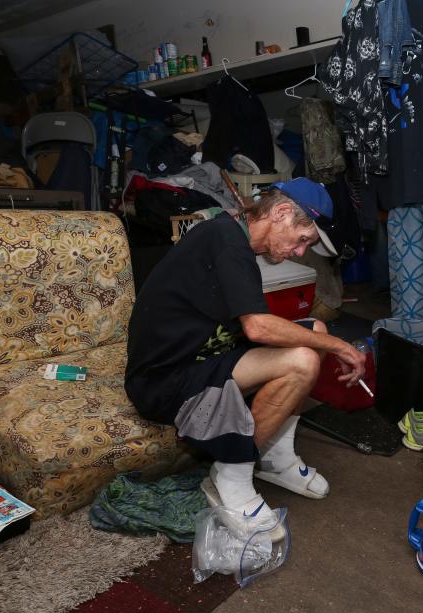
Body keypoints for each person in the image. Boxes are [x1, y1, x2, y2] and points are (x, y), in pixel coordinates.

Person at [125, 177, 366, 538]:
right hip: (164, 379)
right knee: (305, 358)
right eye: (302, 240)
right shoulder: (223, 239)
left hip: (206, 354)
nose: (301, 252)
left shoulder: (232, 238)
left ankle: (274, 458)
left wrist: (325, 341)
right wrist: (341, 348)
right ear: (282, 213)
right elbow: (257, 327)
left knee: (315, 330)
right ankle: (230, 474)